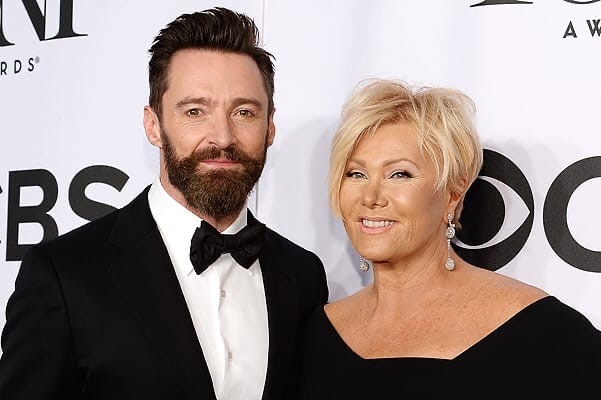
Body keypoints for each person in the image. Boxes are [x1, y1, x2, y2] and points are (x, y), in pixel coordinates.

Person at [0, 7, 328, 400]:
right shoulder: (65, 275)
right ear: (153, 125)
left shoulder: (303, 275)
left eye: (244, 112)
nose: (223, 137)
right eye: (195, 111)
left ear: (270, 127)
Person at [298, 79, 601, 399]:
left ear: (453, 193)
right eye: (356, 173)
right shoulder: (317, 333)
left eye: (399, 174)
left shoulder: (535, 328)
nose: (370, 197)